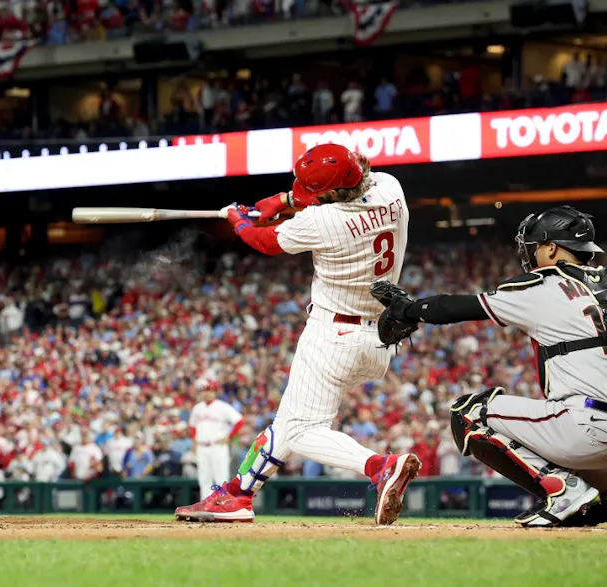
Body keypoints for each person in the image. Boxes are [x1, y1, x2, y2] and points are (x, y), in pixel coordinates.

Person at [175, 143, 421, 525]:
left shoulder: (323, 222)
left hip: (333, 334)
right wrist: (283, 200)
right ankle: (238, 495)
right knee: (288, 423)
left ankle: (379, 466)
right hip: (379, 339)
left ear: (334, 192)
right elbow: (330, 199)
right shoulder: (391, 186)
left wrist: (238, 220)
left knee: (303, 430)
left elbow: (265, 240)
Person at [371, 206, 607, 527]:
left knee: (469, 413)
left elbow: (456, 307)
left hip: (588, 427)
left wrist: (408, 309)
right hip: (592, 431)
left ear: (551, 247)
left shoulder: (545, 284)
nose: (531, 253)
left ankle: (563, 491)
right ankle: (591, 505)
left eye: (536, 246)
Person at [188, 379, 243, 500]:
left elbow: (239, 421)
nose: (207, 393)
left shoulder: (222, 407)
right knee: (204, 479)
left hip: (218, 446)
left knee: (221, 478)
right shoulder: (197, 408)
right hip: (202, 447)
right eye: (205, 391)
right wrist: (194, 440)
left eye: (210, 391)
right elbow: (192, 427)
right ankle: (205, 506)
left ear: (215, 392)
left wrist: (228, 437)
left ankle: (221, 505)